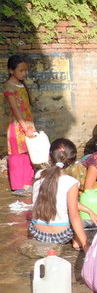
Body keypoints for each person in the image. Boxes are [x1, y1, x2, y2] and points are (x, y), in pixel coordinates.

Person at [31, 139, 97, 251]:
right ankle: (77, 242)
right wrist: (86, 245)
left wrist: (89, 211)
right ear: (72, 162)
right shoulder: (71, 182)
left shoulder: (39, 175)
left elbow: (56, 198)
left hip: (37, 232)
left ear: (49, 157)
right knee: (77, 217)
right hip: (61, 235)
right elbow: (74, 216)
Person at [4, 55, 36, 194]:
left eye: (25, 70)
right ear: (11, 71)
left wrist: (29, 127)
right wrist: (25, 127)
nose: (24, 73)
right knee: (17, 155)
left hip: (28, 124)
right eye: (21, 71)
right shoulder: (9, 87)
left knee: (29, 154)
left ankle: (27, 183)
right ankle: (18, 186)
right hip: (17, 126)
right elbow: (16, 110)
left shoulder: (21, 85)